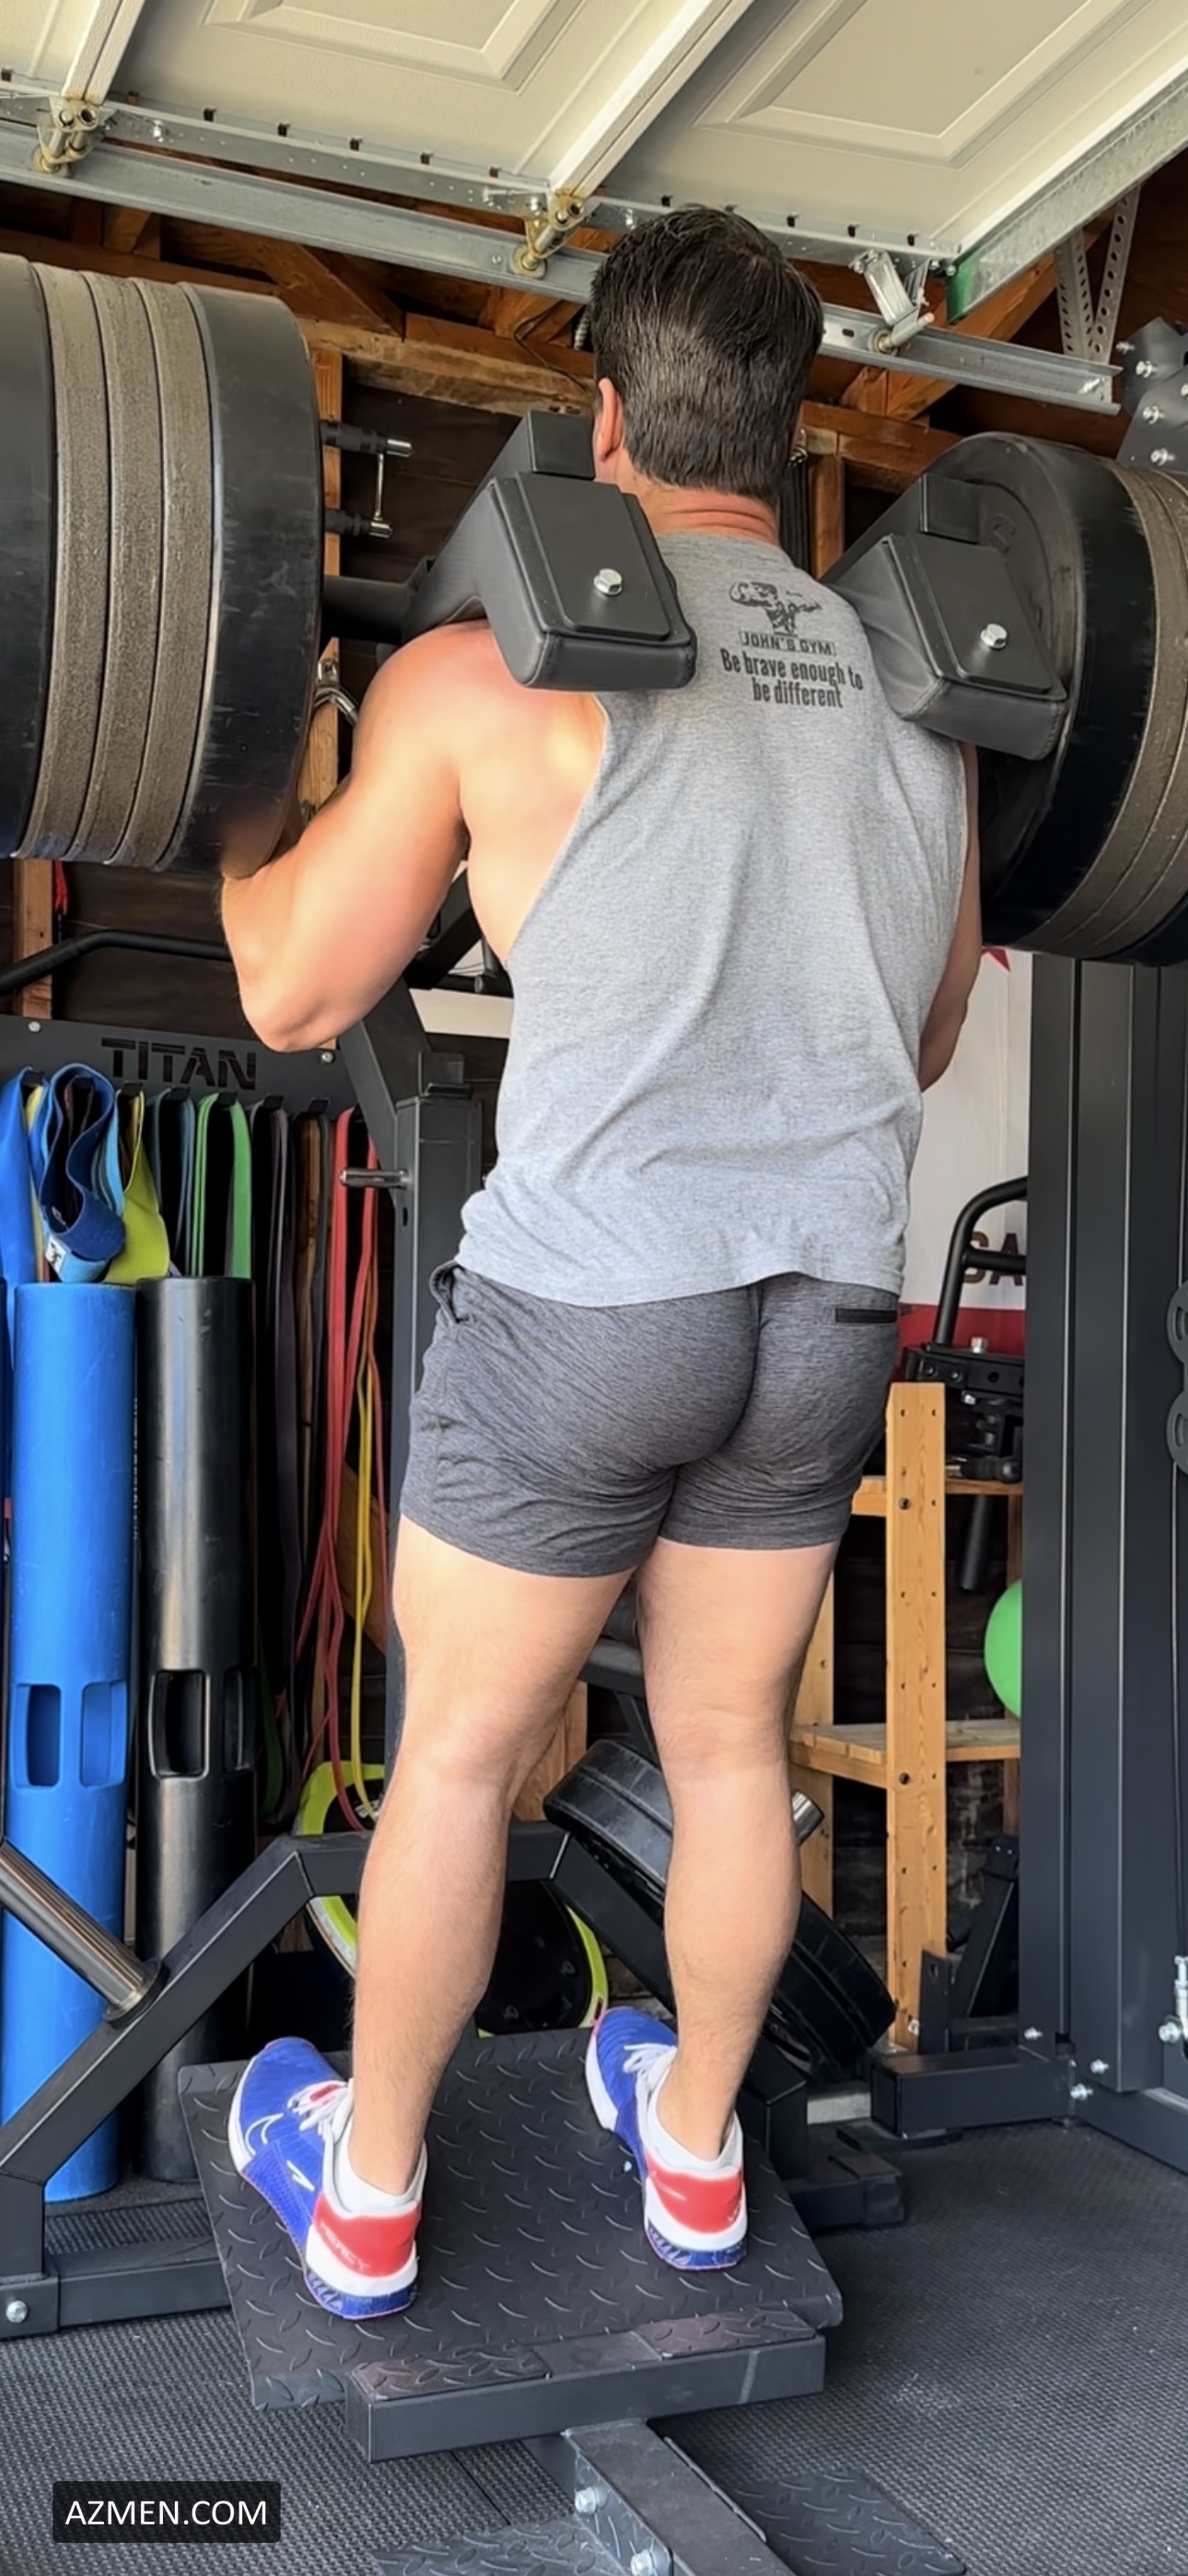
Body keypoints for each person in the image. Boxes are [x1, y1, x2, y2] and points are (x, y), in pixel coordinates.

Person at [220, 207, 982, 2319]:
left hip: (588, 1312)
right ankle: (700, 2160)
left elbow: (290, 990)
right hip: (822, 1310)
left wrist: (234, 799)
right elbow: (924, 1037)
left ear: (608, 421)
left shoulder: (488, 677)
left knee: (462, 1753)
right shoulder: (930, 714)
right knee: (733, 1747)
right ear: (794, 430)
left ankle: (369, 2192)